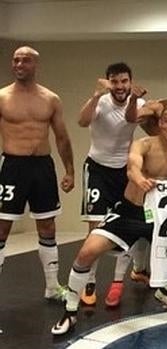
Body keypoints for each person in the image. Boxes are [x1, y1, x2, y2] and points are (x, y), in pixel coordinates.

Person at [51, 108, 167, 335]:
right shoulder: (143, 144)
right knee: (87, 252)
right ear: (160, 123)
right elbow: (132, 166)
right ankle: (70, 311)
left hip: (159, 217)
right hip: (130, 211)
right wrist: (140, 178)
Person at [0, 46, 74, 301]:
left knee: (47, 226)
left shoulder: (50, 99)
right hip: (11, 167)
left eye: (26, 60)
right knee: (1, 228)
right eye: (16, 60)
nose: (19, 64)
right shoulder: (2, 97)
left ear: (35, 65)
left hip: (42, 167)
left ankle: (52, 287)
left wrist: (70, 171)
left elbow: (62, 137)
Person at [77, 62, 151, 308]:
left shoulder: (137, 104)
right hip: (97, 169)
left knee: (127, 226)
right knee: (95, 228)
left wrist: (136, 100)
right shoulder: (101, 101)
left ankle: (119, 281)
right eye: (115, 82)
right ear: (109, 82)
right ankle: (89, 282)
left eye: (124, 81)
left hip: (124, 171)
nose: (120, 87)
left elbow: (131, 118)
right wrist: (96, 95)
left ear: (130, 81)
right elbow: (81, 121)